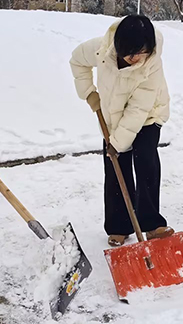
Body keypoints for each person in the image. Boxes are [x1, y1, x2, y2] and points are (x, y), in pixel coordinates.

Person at [70, 15, 173, 247]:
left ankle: (152, 223)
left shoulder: (152, 64)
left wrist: (117, 143)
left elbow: (138, 110)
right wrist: (89, 92)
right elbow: (77, 60)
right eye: (130, 53)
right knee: (115, 166)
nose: (135, 58)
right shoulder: (101, 49)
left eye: (141, 52)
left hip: (148, 114)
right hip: (111, 114)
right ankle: (119, 225)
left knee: (145, 158)